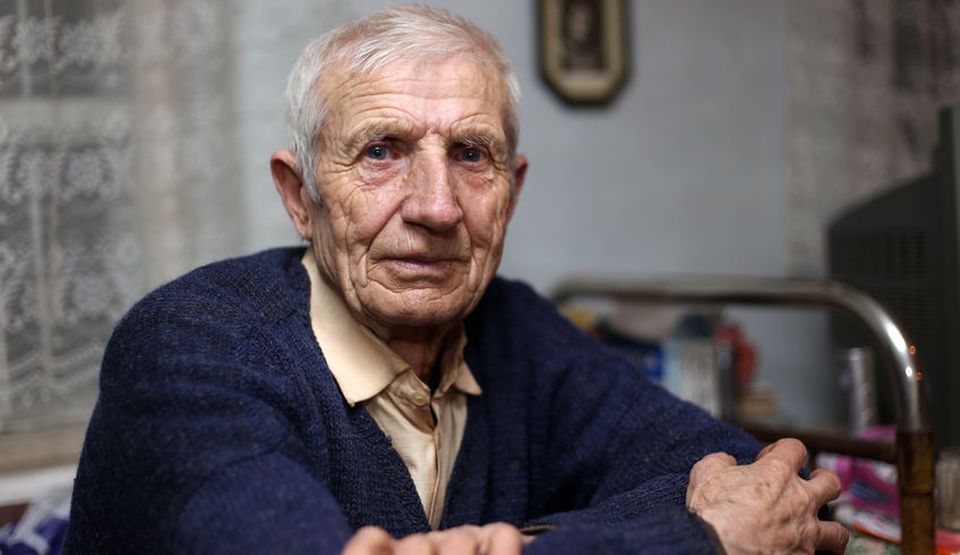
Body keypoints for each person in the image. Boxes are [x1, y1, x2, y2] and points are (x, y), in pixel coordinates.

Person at [65, 5, 848, 554]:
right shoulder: (188, 343)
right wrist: (699, 537)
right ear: (300, 196)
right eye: (381, 151)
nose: (437, 207)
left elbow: (773, 486)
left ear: (512, 190)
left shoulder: (517, 328)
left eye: (472, 155)